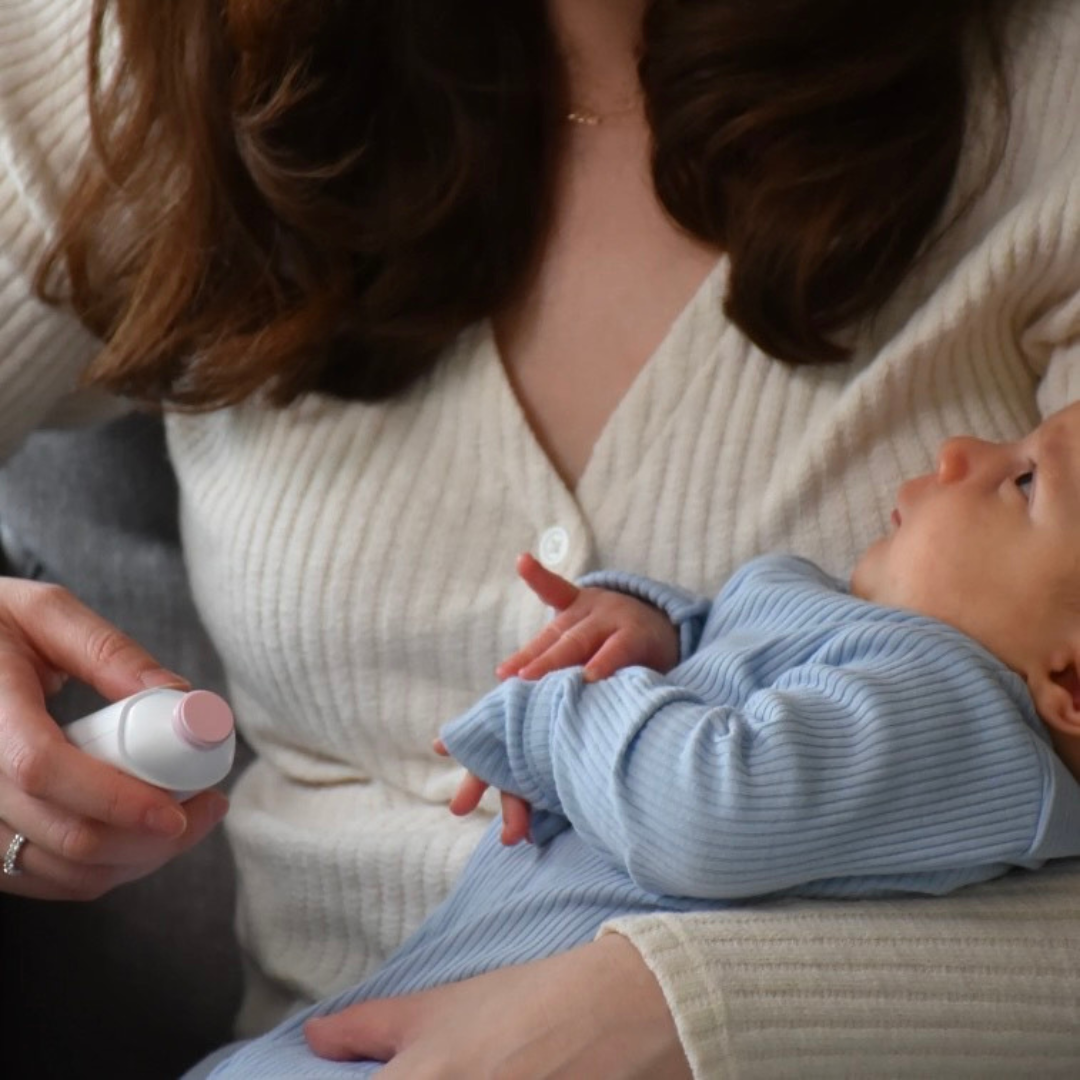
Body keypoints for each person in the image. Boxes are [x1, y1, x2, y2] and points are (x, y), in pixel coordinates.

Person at [1, 1, 1079, 1076]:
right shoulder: (166, 39)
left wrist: (683, 1012)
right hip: (320, 1048)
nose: (956, 459)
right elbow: (737, 643)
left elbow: (713, 785)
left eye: (1021, 476)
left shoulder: (1046, 88)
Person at [199, 405, 1080, 1075]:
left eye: (1026, 483)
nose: (960, 450)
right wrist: (649, 630)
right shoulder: (876, 652)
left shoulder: (959, 713)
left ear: (1070, 685)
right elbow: (740, 682)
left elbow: (708, 809)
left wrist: (549, 713)